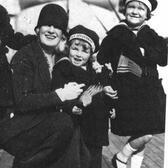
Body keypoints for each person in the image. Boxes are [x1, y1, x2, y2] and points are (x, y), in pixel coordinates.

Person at [0, 4, 86, 168]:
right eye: (47, 25)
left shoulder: (60, 57)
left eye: (58, 27)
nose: (51, 30)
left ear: (62, 35)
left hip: (46, 125)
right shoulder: (25, 56)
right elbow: (22, 101)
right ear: (37, 29)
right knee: (65, 124)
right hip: (20, 128)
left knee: (79, 147)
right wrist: (60, 95)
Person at [97, 0, 167, 168]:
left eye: (141, 8)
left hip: (150, 94)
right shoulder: (115, 35)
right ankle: (121, 158)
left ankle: (126, 162)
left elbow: (163, 60)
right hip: (125, 94)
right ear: (124, 10)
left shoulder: (151, 35)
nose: (135, 12)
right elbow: (101, 63)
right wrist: (106, 85)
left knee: (145, 133)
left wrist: (146, 51)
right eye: (131, 7)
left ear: (147, 14)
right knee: (144, 134)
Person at [51, 25, 118, 168]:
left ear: (91, 54)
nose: (78, 54)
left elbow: (100, 91)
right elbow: (57, 91)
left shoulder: (95, 71)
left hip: (96, 127)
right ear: (68, 48)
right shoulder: (63, 67)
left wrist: (110, 107)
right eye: (75, 48)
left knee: (93, 159)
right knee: (76, 159)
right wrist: (71, 106)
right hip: (77, 125)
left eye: (84, 51)